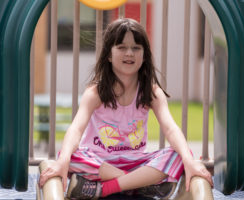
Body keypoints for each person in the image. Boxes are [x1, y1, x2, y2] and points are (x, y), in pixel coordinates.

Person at [39, 18, 213, 199]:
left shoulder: (152, 92)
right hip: (101, 164)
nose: (129, 53)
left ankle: (103, 189)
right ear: (108, 54)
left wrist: (188, 160)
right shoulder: (96, 92)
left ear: (144, 55)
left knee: (180, 154)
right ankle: (139, 184)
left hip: (134, 162)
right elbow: (76, 129)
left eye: (136, 48)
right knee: (68, 154)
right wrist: (63, 161)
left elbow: (170, 128)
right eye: (121, 47)